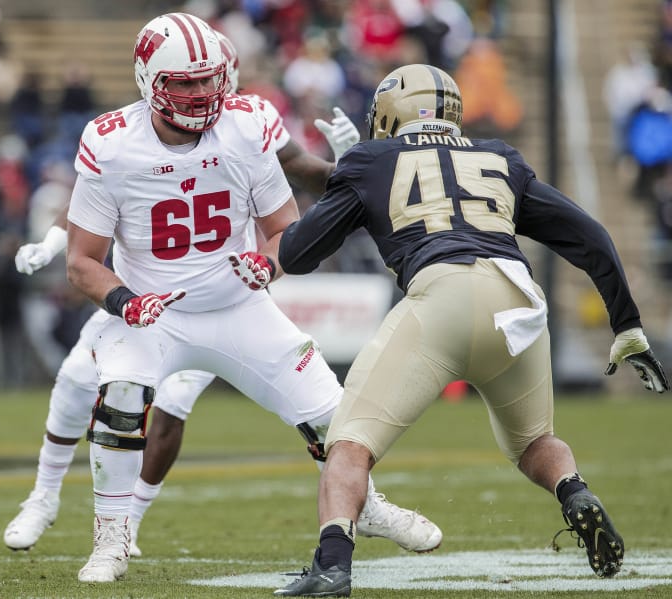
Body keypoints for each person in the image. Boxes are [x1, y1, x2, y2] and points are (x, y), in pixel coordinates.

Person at [8, 17, 441, 584]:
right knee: (116, 400)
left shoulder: (246, 126)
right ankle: (111, 535)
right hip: (154, 312)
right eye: (183, 84)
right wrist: (123, 302)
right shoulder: (111, 143)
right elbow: (83, 260)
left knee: (338, 418)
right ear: (148, 81)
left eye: (208, 80)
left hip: (239, 305)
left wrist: (268, 263)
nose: (200, 94)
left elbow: (286, 230)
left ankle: (367, 503)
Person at [272, 64, 670, 597]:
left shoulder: (371, 160)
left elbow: (296, 254)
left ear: (388, 116)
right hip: (520, 303)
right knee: (535, 442)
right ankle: (575, 493)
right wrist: (627, 324)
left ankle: (331, 565)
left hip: (443, 296)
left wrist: (348, 175)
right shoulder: (499, 157)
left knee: (349, 445)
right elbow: (592, 236)